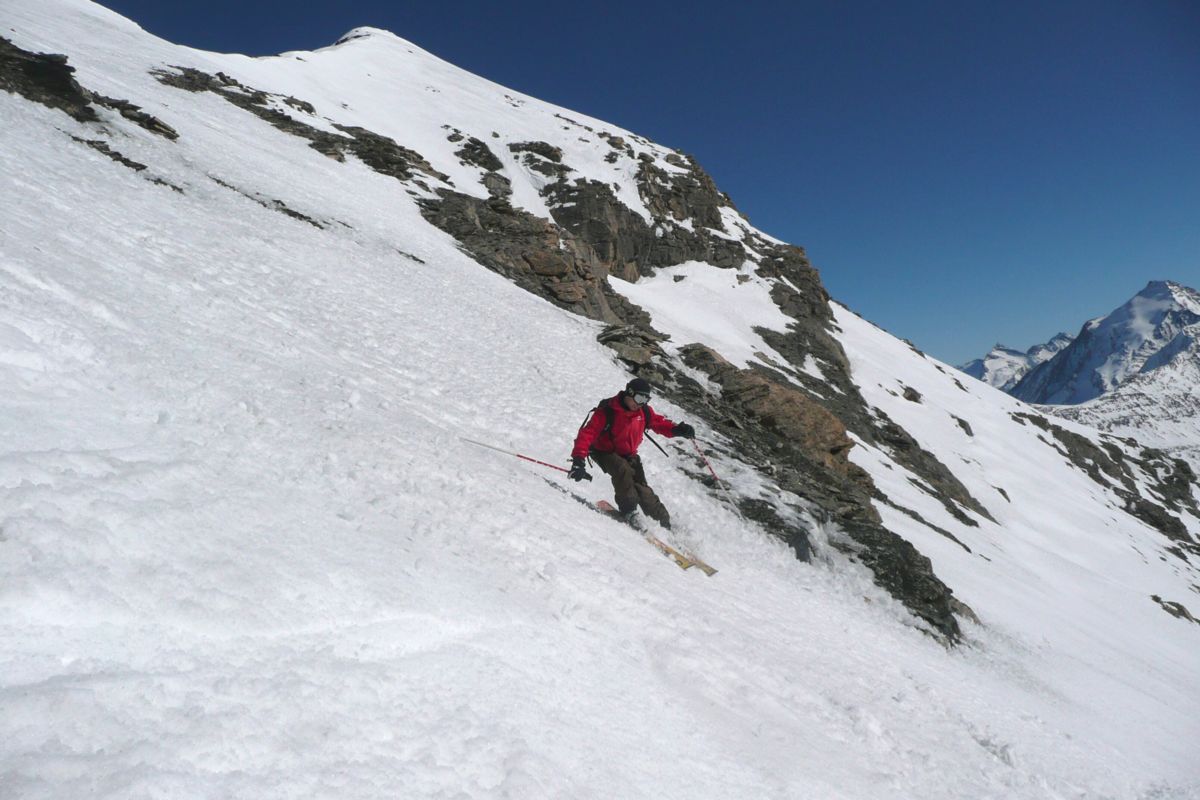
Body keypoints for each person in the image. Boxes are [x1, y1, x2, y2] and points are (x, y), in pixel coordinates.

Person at [568, 377, 695, 529]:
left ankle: (664, 523)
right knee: (622, 469)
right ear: (629, 393)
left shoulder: (644, 412)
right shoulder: (608, 411)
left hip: (629, 454)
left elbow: (659, 423)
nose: (641, 403)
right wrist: (578, 460)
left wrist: (677, 430)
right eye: (639, 398)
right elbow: (586, 434)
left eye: (646, 399)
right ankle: (629, 511)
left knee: (643, 491)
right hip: (604, 452)